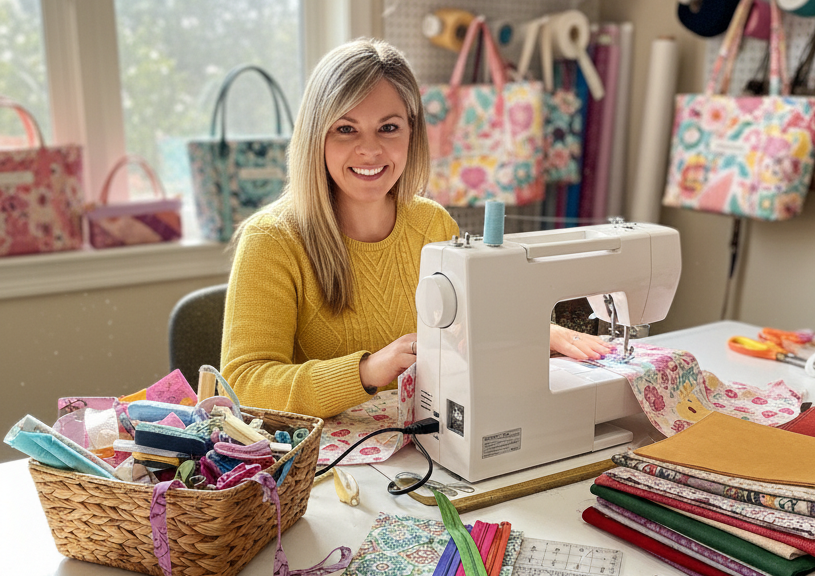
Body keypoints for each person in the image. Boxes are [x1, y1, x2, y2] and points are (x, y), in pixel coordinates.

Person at [220, 39, 610, 419]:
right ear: (314, 136)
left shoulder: (432, 224)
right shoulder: (272, 241)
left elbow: (471, 325)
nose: (370, 150)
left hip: (422, 442)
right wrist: (369, 370)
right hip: (328, 466)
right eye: (345, 129)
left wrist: (533, 332)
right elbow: (244, 384)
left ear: (411, 131)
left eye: (388, 128)